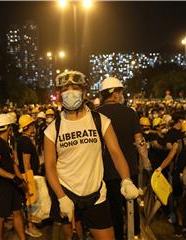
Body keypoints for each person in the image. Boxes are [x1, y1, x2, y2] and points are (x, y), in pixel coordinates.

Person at [44, 71, 139, 240]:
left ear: (84, 92)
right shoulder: (52, 129)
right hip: (66, 193)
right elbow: (50, 166)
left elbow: (116, 153)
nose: (70, 92)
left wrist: (126, 179)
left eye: (75, 88)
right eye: (65, 89)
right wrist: (61, 197)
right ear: (59, 94)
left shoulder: (100, 120)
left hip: (96, 195)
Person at [97, 77, 148, 239]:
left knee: (114, 210)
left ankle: (118, 236)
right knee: (131, 205)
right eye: (121, 92)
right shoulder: (129, 113)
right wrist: (145, 160)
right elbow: (140, 141)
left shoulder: (95, 114)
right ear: (116, 93)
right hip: (129, 168)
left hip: (106, 171)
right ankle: (136, 234)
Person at [156, 119, 186, 237]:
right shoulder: (178, 144)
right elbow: (169, 157)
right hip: (178, 176)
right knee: (179, 201)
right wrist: (160, 168)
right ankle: (180, 224)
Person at [0, 113, 27, 240]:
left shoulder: (6, 144)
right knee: (1, 217)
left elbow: (12, 163)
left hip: (12, 186)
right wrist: (13, 177)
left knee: (17, 212)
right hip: (2, 187)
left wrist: (21, 180)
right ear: (9, 128)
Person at [17, 114, 43, 237]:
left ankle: (30, 223)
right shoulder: (25, 141)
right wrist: (29, 179)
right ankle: (30, 226)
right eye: (32, 125)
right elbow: (26, 162)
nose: (34, 127)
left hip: (25, 174)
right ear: (28, 127)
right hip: (28, 174)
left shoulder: (21, 139)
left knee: (29, 201)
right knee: (30, 201)